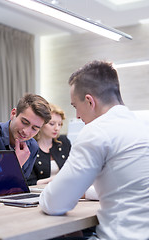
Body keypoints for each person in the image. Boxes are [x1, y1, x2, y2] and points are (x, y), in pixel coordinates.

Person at [39, 60, 149, 240]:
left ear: (89, 101)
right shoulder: (142, 126)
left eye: (75, 106)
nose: (77, 116)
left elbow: (55, 203)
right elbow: (126, 186)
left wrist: (47, 193)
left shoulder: (96, 131)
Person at [27, 103, 71, 185]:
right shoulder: (29, 147)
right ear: (40, 123)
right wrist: (54, 180)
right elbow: (29, 182)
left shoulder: (63, 142)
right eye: (52, 124)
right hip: (39, 193)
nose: (57, 128)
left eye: (59, 124)